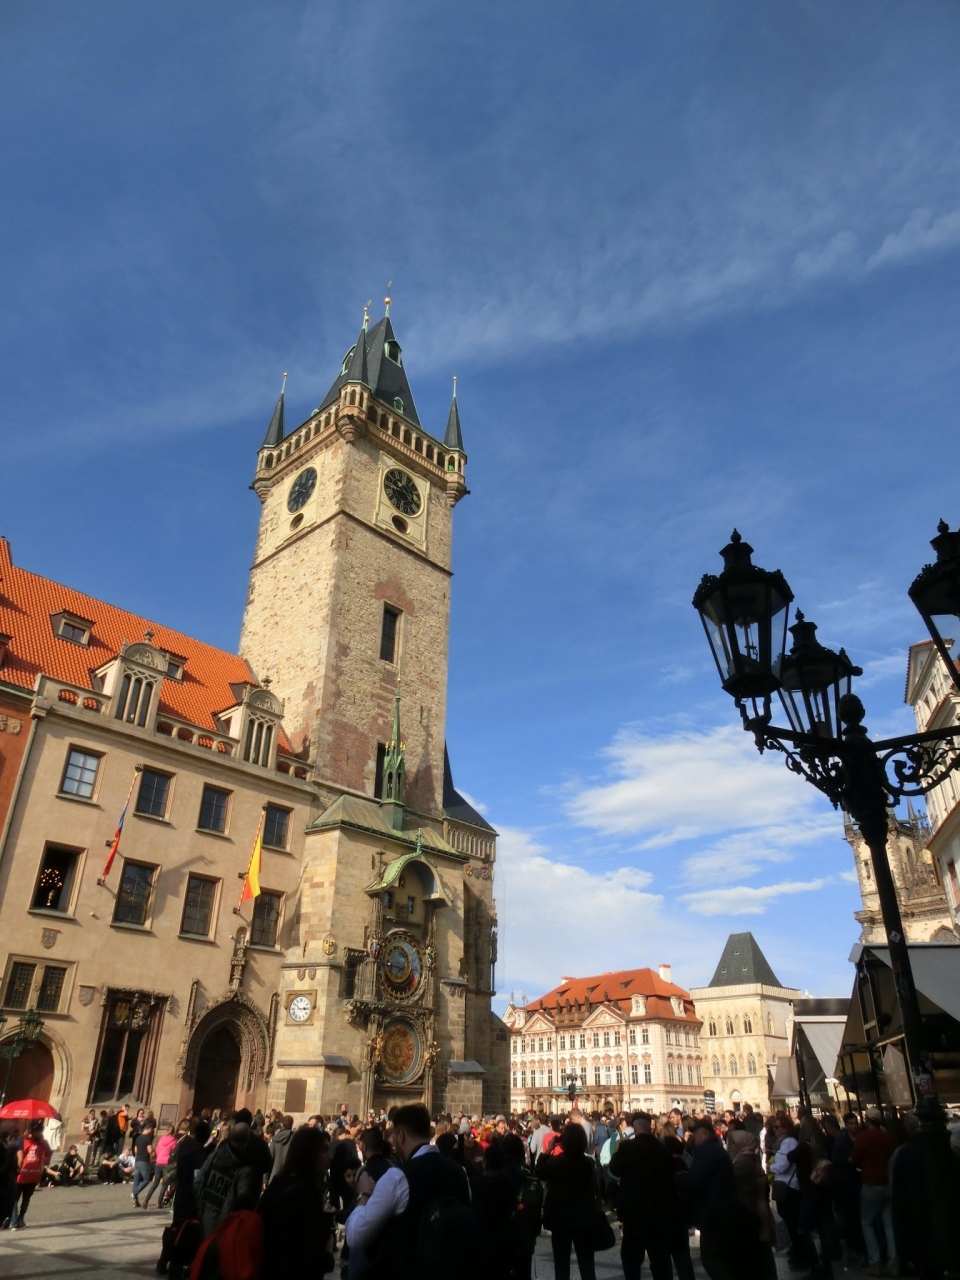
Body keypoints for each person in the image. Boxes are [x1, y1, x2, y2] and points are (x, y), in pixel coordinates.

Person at [346, 1102, 476, 1280]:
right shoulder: (460, 1172)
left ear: (400, 1135)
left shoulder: (397, 1178)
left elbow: (356, 1237)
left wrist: (364, 1194)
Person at [259, 1125, 334, 1280]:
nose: (330, 1157)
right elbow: (307, 1253)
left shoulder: (278, 1184)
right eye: (324, 1150)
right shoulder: (306, 1193)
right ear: (309, 1154)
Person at [609, 1111, 676, 1280]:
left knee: (631, 1259)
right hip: (658, 1211)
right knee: (660, 1259)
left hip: (633, 1212)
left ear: (634, 1128)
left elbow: (614, 1168)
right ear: (650, 1127)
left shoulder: (627, 1147)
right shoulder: (662, 1148)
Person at [679, 1117, 748, 1280]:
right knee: (721, 1257)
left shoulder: (707, 1151)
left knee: (711, 1258)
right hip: (721, 1211)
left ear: (705, 1133)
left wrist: (685, 1183)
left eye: (696, 1133)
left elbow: (696, 1181)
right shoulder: (714, 1149)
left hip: (713, 1213)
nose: (693, 1136)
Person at [536, 1120, 600, 1280]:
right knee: (587, 1264)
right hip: (583, 1216)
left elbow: (540, 1172)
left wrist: (547, 1151)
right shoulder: (588, 1162)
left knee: (561, 1264)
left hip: (561, 1218)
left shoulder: (558, 1161)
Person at [194, 1121, 263, 1239]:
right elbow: (243, 1199)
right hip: (224, 1223)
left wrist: (197, 1206)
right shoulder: (245, 1168)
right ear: (247, 1141)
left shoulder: (215, 1155)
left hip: (204, 1212)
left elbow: (198, 1181)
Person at [851, 1106, 897, 1276]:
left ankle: (875, 1262)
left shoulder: (863, 1138)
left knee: (867, 1222)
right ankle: (893, 1263)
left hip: (871, 1183)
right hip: (887, 1183)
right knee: (888, 1225)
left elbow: (855, 1158)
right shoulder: (888, 1138)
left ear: (867, 1120)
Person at [10, 1120, 51, 1229]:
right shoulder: (26, 1141)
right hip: (23, 1174)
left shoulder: (42, 1143)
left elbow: (48, 1154)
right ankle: (14, 1220)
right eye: (36, 1130)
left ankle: (20, 1219)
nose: (38, 1133)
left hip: (32, 1175)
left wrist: (44, 1162)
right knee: (15, 1198)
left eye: (39, 1131)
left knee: (25, 1199)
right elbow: (19, 1155)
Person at [142, 1123, 177, 1208]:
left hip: (158, 1163)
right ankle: (159, 1203)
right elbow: (174, 1153)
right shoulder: (174, 1141)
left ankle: (146, 1199)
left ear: (166, 1131)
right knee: (164, 1185)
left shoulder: (161, 1140)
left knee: (155, 1183)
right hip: (167, 1165)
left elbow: (157, 1151)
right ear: (173, 1132)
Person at [131, 1119, 155, 1207]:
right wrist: (153, 1151)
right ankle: (134, 1192)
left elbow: (135, 1150)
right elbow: (150, 1150)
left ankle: (135, 1201)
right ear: (150, 1129)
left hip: (137, 1160)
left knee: (136, 1181)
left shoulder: (138, 1137)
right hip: (144, 1161)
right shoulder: (148, 1138)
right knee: (146, 1179)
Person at [0, 1131, 19, 1228]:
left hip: (6, 1180)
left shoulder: (8, 1151)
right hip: (7, 1180)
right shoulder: (9, 1151)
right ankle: (12, 1221)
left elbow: (8, 1167)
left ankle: (12, 1221)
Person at [268, 1113, 295, 1181]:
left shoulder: (275, 1139)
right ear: (292, 1125)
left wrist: (265, 1179)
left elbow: (269, 1159)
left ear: (281, 1125)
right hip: (290, 1178)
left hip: (275, 1176)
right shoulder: (296, 1139)